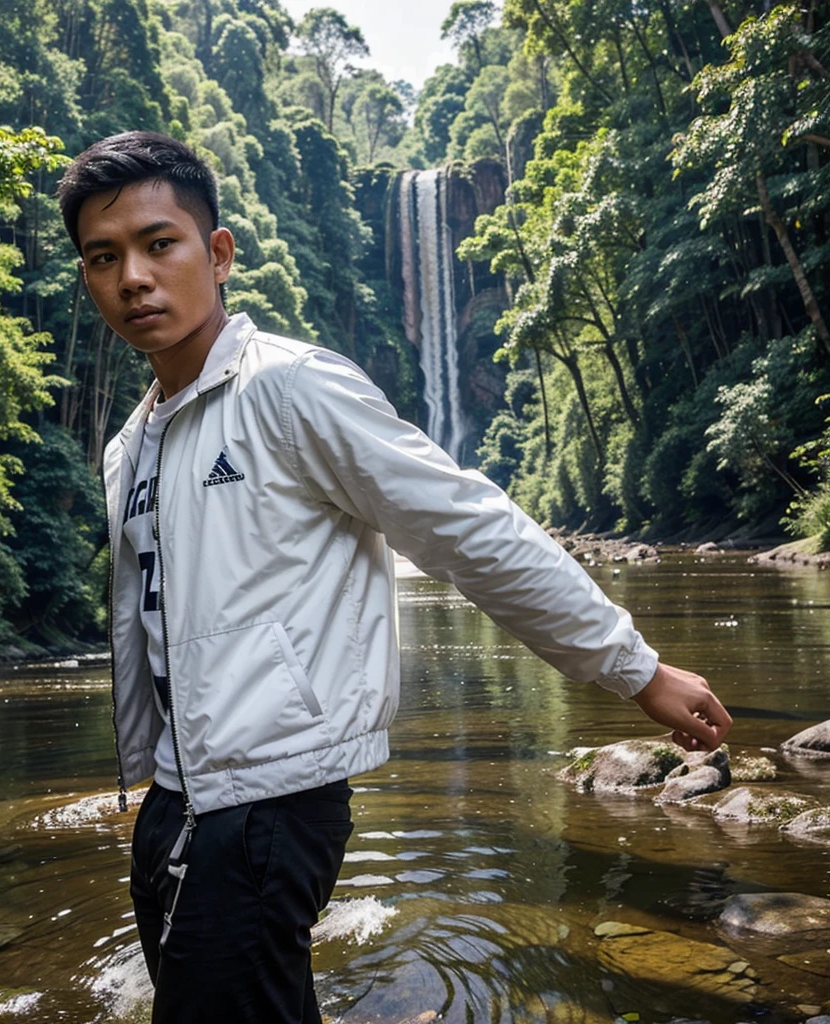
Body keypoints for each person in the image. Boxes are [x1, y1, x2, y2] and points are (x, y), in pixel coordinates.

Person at [57, 130, 733, 1024]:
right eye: (105, 257)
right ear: (87, 277)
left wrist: (635, 669)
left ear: (217, 254)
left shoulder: (291, 392)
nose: (134, 276)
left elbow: (470, 529)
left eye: (159, 243)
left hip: (269, 803)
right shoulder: (129, 445)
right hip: (174, 802)